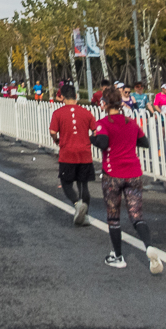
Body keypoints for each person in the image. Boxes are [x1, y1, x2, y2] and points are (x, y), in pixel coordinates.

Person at [92, 87, 161, 273]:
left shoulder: (103, 123)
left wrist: (92, 138)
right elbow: (144, 143)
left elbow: (103, 142)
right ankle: (149, 247)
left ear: (104, 104)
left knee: (113, 216)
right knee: (136, 215)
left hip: (113, 174)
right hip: (134, 173)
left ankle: (118, 256)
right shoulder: (131, 123)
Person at [48, 85, 96, 226]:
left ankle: (76, 204)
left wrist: (57, 140)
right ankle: (85, 215)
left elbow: (52, 131)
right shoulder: (86, 112)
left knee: (66, 182)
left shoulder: (58, 113)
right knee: (83, 184)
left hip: (67, 152)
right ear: (76, 95)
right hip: (84, 152)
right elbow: (95, 130)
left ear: (62, 97)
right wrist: (89, 141)